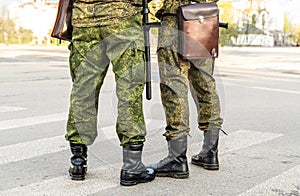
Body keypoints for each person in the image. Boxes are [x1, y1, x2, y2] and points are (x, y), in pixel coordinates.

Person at [65, 0, 155, 186]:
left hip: (84, 20)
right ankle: (132, 165)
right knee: (129, 91)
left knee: (83, 90)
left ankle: (78, 162)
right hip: (123, 18)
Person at [148, 0, 224, 178]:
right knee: (206, 86)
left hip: (176, 18)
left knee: (174, 86)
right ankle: (210, 153)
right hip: (205, 19)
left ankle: (177, 158)